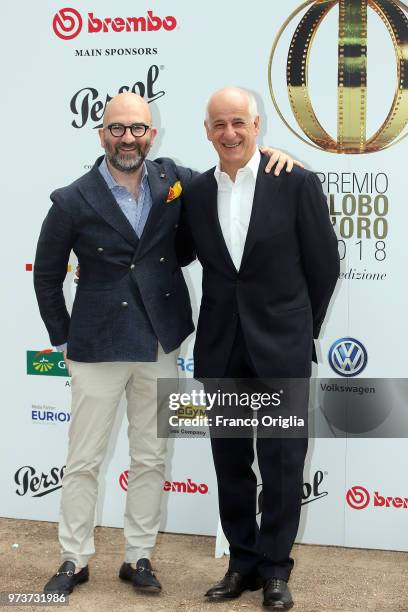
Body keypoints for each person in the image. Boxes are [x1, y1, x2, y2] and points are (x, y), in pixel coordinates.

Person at [33, 91, 298, 597]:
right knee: (84, 459)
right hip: (95, 347)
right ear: (101, 134)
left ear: (152, 134)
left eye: (137, 129)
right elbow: (47, 277)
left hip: (159, 342)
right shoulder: (71, 198)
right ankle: (73, 558)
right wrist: (63, 338)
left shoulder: (173, 179)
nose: (127, 138)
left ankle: (138, 556)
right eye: (117, 129)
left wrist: (278, 159)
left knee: (151, 457)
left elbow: (234, 171)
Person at [183, 87, 339, 609]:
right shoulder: (197, 192)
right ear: (207, 131)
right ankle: (242, 564)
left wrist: (297, 328)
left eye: (238, 123)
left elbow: (324, 266)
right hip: (222, 349)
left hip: (281, 350)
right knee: (230, 465)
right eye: (218, 124)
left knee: (280, 465)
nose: (229, 133)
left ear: (256, 124)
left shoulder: (294, 182)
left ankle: (275, 568)